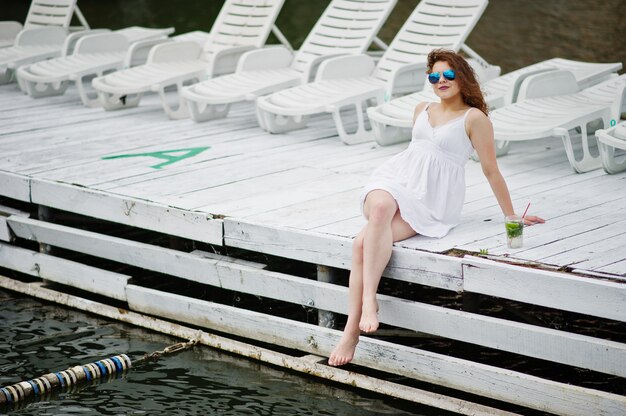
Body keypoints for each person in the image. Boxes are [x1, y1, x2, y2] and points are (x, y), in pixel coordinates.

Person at [327, 48, 545, 367]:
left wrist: (511, 216)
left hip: (430, 200)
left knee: (362, 243)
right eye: (434, 76)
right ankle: (368, 304)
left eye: (448, 75)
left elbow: (491, 170)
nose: (440, 81)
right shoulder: (422, 108)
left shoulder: (475, 118)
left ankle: (351, 332)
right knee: (379, 210)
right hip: (394, 178)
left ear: (463, 77)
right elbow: (416, 154)